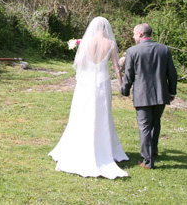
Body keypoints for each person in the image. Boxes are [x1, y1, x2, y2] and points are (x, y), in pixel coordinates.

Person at [49, 16, 129, 179]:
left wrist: (79, 49)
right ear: (106, 28)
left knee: (82, 113)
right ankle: (104, 148)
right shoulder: (111, 43)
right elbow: (116, 66)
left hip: (86, 83)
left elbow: (78, 62)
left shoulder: (86, 42)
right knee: (102, 114)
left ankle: (80, 147)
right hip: (102, 81)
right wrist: (121, 84)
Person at [120, 23, 177, 169]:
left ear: (139, 34)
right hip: (161, 93)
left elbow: (129, 75)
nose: (133, 37)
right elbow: (172, 73)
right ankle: (153, 150)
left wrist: (124, 91)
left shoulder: (132, 51)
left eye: (134, 34)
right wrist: (171, 92)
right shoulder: (163, 49)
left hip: (142, 94)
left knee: (144, 126)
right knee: (155, 123)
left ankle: (148, 161)